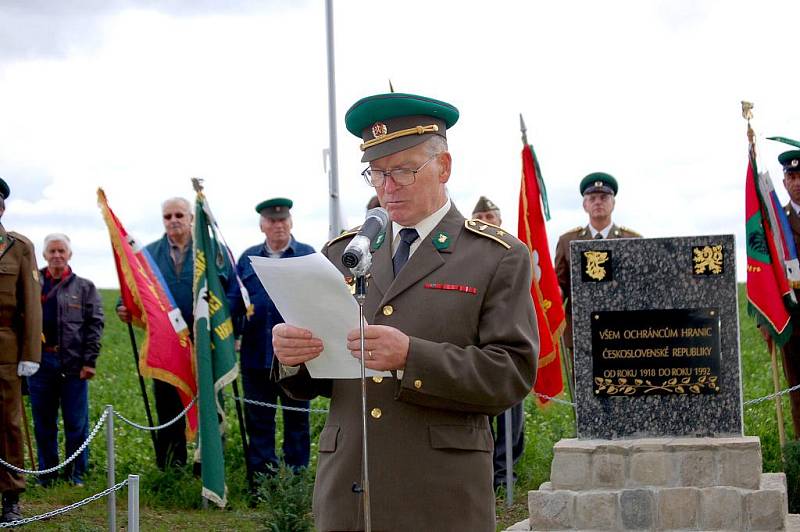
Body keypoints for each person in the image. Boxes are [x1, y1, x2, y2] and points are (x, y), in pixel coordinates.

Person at [272, 92, 539, 531]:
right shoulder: (344, 252)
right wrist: (291, 356)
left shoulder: (496, 256)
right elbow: (312, 380)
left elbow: (511, 374)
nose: (387, 188)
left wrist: (411, 357)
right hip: (349, 491)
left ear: (444, 167)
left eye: (402, 171)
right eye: (375, 174)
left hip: (439, 494)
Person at [228, 198, 315, 484]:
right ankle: (261, 486)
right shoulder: (248, 259)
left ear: (290, 223)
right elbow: (234, 302)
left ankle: (295, 484)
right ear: (262, 225)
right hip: (255, 357)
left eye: (283, 220)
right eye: (272, 221)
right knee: (259, 422)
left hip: (296, 358)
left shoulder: (306, 255)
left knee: (297, 423)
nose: (278, 225)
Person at [116, 197, 195, 469]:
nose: (173, 220)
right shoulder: (148, 255)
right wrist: (123, 308)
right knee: (168, 409)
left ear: (191, 218)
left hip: (202, 345)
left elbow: (228, 289)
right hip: (167, 347)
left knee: (207, 409)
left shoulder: (209, 252)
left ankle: (206, 469)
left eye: (179, 215)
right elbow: (132, 289)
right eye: (168, 216)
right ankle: (172, 465)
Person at [29, 234, 103, 487]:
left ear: (70, 254)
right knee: (44, 424)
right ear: (44, 254)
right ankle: (46, 475)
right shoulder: (31, 283)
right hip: (39, 364)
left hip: (73, 366)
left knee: (76, 424)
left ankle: (76, 475)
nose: (57, 255)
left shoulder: (85, 288)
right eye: (52, 251)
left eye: (62, 250)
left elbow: (95, 326)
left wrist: (89, 362)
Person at [554, 173, 641, 357]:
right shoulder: (567, 241)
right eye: (592, 198)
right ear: (585, 205)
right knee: (583, 385)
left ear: (613, 203)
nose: (598, 202)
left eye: (604, 197)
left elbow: (642, 285)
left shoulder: (632, 239)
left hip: (624, 329)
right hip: (581, 329)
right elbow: (559, 284)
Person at [471, 196, 526, 490]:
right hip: (473, 345)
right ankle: (485, 471)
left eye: (490, 216)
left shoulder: (512, 252)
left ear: (500, 221)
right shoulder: (465, 254)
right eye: (480, 216)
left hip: (504, 343)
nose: (486, 221)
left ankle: (505, 472)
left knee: (510, 410)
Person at [0, 178, 42, 524]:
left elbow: (31, 302)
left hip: (6, 349)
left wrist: (30, 354)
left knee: (9, 425)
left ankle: (11, 496)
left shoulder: (18, 247)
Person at [777, 149, 800, 437]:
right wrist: (765, 322)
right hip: (794, 324)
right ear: (784, 182)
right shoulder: (776, 219)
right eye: (792, 176)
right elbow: (765, 268)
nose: (797, 182)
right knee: (798, 397)